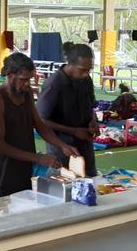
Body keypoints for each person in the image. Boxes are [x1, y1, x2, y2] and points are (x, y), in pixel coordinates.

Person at [0, 53, 79, 197]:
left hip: (27, 168)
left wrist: (62, 145)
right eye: (23, 79)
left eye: (29, 79)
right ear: (10, 74)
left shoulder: (26, 92)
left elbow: (38, 123)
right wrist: (38, 158)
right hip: (6, 172)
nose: (27, 84)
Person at [37, 44, 99, 177]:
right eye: (82, 70)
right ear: (70, 64)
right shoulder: (54, 83)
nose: (85, 74)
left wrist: (93, 122)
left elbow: (91, 106)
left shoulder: (86, 80)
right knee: (64, 184)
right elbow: (41, 120)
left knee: (90, 179)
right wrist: (74, 131)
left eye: (89, 70)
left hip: (85, 142)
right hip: (61, 146)